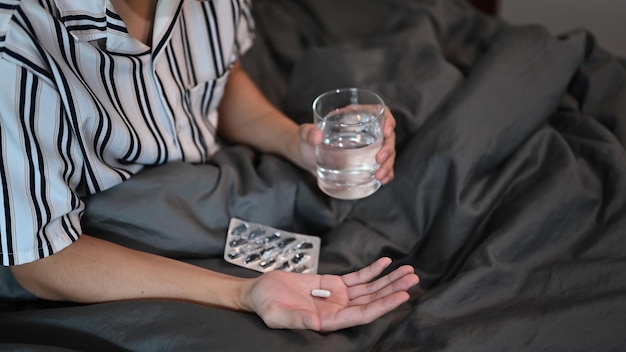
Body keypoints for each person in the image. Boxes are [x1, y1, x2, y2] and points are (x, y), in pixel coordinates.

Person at [0, 0, 419, 331]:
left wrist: (296, 144)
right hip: (92, 234)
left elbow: (207, 80)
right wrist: (244, 294)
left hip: (206, 174)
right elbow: (39, 259)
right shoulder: (16, 39)